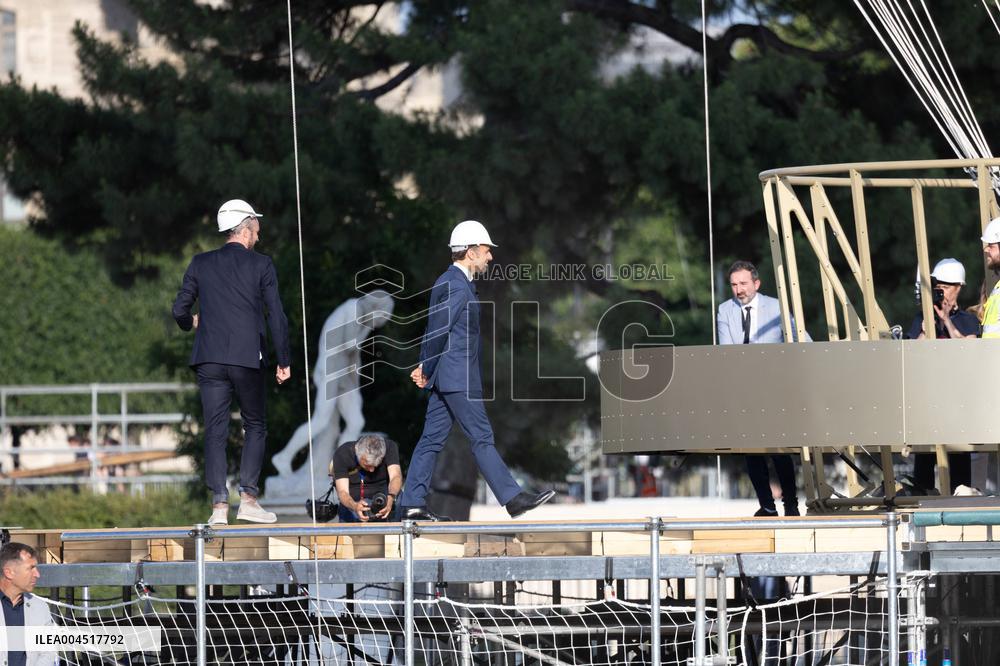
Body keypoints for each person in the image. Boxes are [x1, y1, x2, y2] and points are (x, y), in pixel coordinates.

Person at [400, 220, 555, 521]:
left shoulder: (451, 282)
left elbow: (433, 328)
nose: (490, 257)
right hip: (458, 378)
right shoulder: (456, 285)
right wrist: (426, 368)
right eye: (486, 251)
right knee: (481, 437)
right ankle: (512, 498)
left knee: (430, 440)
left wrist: (425, 367)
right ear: (470, 252)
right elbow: (438, 330)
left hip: (447, 377)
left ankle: (412, 503)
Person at [172, 199, 291, 526]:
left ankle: (219, 507)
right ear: (247, 228)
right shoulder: (261, 264)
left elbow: (179, 310)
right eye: (257, 229)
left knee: (215, 431)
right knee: (254, 424)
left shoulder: (200, 263)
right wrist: (284, 359)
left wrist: (191, 323)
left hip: (208, 358)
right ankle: (249, 499)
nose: (259, 236)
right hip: (246, 358)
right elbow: (275, 315)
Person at [716, 260, 805, 517]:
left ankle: (791, 505)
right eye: (734, 284)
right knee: (751, 450)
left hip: (774, 387)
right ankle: (766, 505)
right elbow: (726, 351)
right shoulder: (725, 310)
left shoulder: (775, 307)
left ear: (756, 283)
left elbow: (799, 337)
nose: (739, 289)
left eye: (743, 283)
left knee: (779, 450)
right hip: (743, 390)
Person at [0, 542, 56, 666]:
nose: (37, 574)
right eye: (30, 568)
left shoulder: (40, 608)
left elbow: (49, 653)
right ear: (9, 573)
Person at [331, 434, 402, 522]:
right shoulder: (343, 453)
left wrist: (391, 498)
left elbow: (396, 476)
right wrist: (355, 506)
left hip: (384, 494)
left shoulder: (390, 447)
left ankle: (394, 531)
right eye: (367, 465)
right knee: (348, 509)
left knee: (398, 497)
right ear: (357, 452)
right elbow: (342, 492)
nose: (372, 470)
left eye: (376, 465)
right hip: (353, 499)